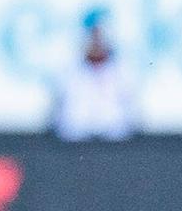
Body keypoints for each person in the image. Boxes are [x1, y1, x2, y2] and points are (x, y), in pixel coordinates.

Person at [53, 9, 143, 141]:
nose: (96, 42)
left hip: (115, 146)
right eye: (92, 37)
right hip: (76, 146)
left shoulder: (122, 71)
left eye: (100, 36)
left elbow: (131, 116)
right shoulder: (69, 72)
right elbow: (63, 118)